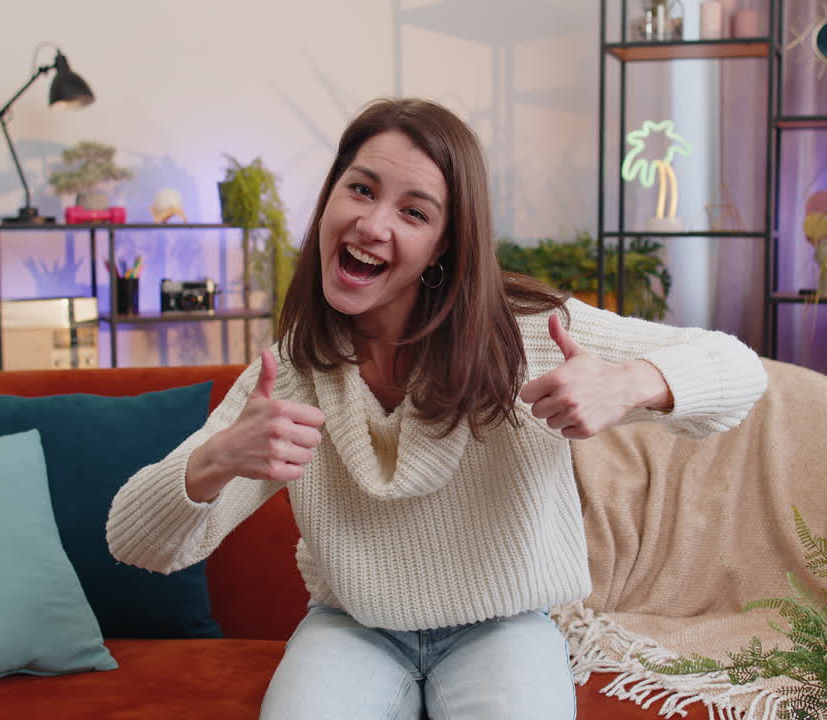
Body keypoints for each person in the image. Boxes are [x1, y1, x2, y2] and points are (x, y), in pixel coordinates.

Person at [106, 97, 767, 719]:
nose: (372, 224)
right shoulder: (294, 368)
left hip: (504, 625)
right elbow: (134, 541)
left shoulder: (528, 332)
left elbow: (739, 371)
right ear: (331, 193)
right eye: (361, 189)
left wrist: (629, 384)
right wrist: (217, 460)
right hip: (352, 627)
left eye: (414, 213)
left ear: (444, 245)